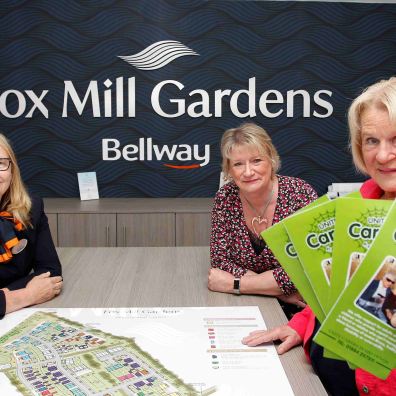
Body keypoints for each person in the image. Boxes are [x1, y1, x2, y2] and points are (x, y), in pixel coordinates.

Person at [242, 77, 396, 395]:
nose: (382, 155)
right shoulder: (361, 204)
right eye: (371, 141)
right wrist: (299, 326)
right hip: (329, 376)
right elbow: (338, 293)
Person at [208, 123, 317, 310]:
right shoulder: (225, 198)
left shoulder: (300, 194)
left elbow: (310, 266)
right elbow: (220, 261)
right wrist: (281, 292)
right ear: (229, 170)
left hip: (301, 307)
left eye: (256, 160)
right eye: (238, 164)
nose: (248, 172)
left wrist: (236, 284)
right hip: (245, 303)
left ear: (272, 160)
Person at [0, 134, 62, 319]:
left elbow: (51, 271)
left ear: (12, 171)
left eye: (1, 163)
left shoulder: (31, 207)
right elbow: (36, 289)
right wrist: (26, 295)